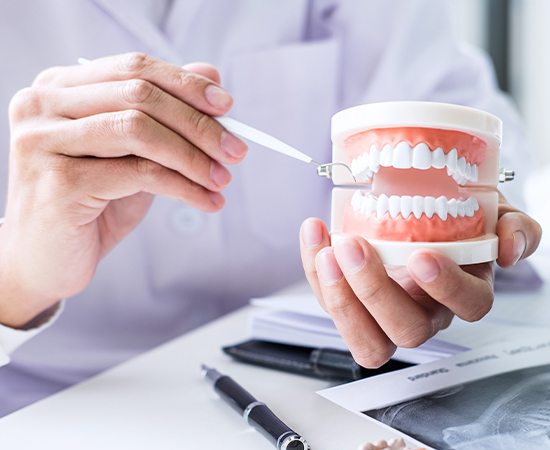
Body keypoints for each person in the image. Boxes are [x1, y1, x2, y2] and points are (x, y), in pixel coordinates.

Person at [0, 0, 542, 415]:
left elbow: (454, 115)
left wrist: (478, 223)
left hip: (305, 392)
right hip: (47, 413)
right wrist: (17, 276)